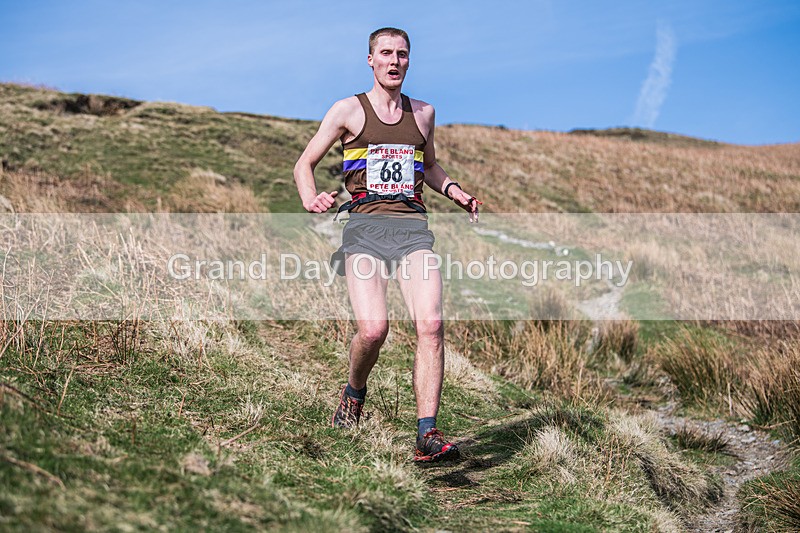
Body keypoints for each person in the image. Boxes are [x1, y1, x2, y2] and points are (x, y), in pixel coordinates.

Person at [293, 27, 480, 463]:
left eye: (402, 54)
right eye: (385, 54)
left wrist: (456, 193)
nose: (394, 61)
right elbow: (305, 163)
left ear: (409, 61)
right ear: (371, 60)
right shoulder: (348, 111)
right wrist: (310, 196)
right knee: (375, 329)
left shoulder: (424, 113)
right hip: (364, 231)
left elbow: (428, 166)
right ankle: (354, 391)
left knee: (431, 326)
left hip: (413, 230)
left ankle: (426, 435)